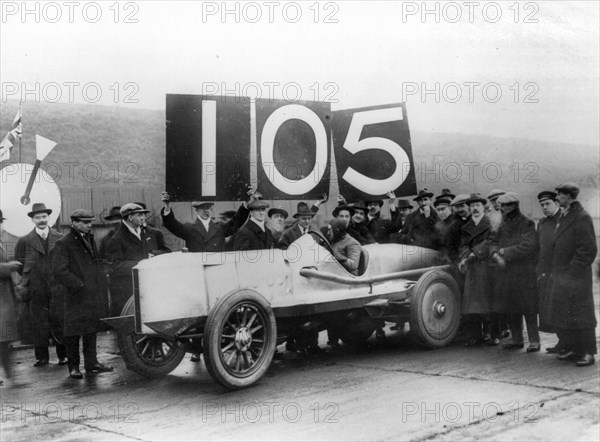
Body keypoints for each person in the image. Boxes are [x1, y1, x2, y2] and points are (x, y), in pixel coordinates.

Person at [51, 210, 113, 379]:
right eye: (85, 222)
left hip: (91, 294)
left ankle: (92, 363)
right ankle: (73, 367)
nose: (89, 225)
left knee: (91, 329)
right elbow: (59, 271)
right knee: (73, 333)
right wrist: (79, 285)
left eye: (90, 222)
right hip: (75, 296)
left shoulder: (89, 239)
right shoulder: (64, 243)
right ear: (74, 223)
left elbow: (94, 263)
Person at [548, 182, 597, 366]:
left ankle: (588, 353)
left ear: (568, 196)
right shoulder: (565, 215)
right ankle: (574, 349)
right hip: (564, 276)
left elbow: (588, 250)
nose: (557, 197)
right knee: (567, 314)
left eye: (559, 194)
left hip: (577, 277)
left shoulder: (582, 217)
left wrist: (571, 271)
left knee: (582, 315)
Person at [14, 203, 67, 367]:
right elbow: (19, 264)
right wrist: (30, 278)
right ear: (32, 220)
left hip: (57, 287)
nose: (41, 220)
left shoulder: (60, 238)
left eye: (44, 217)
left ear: (48, 218)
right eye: (38, 217)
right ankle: (42, 357)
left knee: (59, 320)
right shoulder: (24, 241)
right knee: (39, 322)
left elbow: (66, 261)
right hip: (36, 288)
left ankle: (63, 356)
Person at [489, 192, 539, 352]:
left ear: (512, 206)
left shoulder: (527, 223)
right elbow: (493, 241)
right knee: (511, 307)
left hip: (524, 273)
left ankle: (534, 341)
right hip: (506, 274)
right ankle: (517, 339)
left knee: (528, 308)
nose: (500, 208)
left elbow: (529, 246)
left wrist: (504, 252)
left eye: (503, 206)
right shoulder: (502, 224)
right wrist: (494, 253)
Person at [105, 203, 171, 317]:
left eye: (144, 215)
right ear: (130, 217)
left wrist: (154, 255)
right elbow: (115, 266)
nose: (143, 218)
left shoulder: (155, 234)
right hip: (128, 293)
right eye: (140, 215)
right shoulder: (116, 240)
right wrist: (142, 263)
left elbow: (167, 253)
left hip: (152, 287)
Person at [458, 193, 493, 346]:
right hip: (472, 267)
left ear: (483, 206)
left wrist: (474, 253)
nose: (475, 208)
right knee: (472, 304)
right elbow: (463, 244)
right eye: (472, 206)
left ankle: (491, 334)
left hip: (487, 265)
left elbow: (490, 241)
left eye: (478, 205)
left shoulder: (490, 223)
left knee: (488, 301)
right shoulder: (466, 227)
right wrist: (465, 256)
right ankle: (476, 336)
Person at [535, 191, 563, 353]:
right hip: (545, 273)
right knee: (550, 310)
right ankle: (562, 341)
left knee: (562, 308)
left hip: (559, 272)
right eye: (542, 205)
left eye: (548, 204)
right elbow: (540, 249)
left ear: (557, 203)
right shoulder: (543, 223)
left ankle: (568, 342)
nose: (544, 207)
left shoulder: (563, 221)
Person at [1, 210, 21, 386]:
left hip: (4, 295)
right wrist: (9, 266)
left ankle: (9, 375)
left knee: (4, 339)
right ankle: (9, 375)